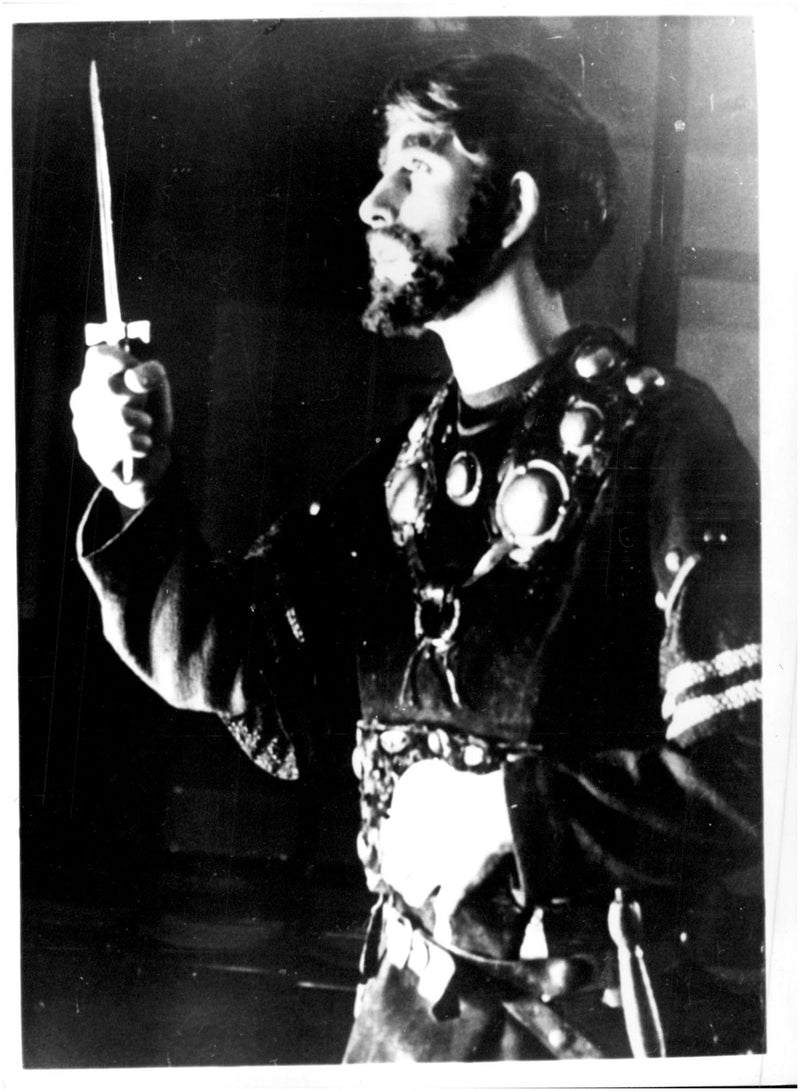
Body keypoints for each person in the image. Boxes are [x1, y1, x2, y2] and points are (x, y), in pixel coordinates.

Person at [70, 53, 763, 1062]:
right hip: (400, 1037)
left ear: (515, 202)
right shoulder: (401, 472)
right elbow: (243, 674)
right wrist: (138, 485)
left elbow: (756, 772)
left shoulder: (661, 440)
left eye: (416, 162)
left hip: (596, 1045)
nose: (370, 200)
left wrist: (509, 811)